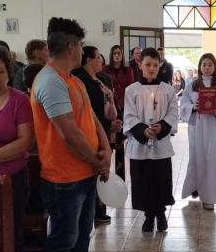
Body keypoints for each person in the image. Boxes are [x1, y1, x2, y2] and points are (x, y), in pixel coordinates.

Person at [31, 17, 113, 252]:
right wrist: (97, 161)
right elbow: (68, 133)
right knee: (62, 241)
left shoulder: (73, 80)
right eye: (80, 46)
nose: (81, 51)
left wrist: (105, 149)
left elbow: (90, 119)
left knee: (81, 235)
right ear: (71, 47)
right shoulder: (50, 81)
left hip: (85, 173)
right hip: (63, 178)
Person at [123, 47, 178, 233]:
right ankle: (148, 216)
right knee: (143, 181)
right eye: (147, 64)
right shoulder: (131, 90)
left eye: (155, 65)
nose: (151, 68)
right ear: (140, 65)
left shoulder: (168, 90)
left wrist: (162, 126)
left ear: (160, 65)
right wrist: (142, 130)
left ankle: (161, 214)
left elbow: (172, 113)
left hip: (161, 145)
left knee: (161, 180)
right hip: (140, 145)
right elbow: (129, 116)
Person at [73, 46, 122, 224]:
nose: (101, 61)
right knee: (94, 168)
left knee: (105, 168)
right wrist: (108, 124)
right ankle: (93, 208)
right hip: (94, 130)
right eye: (97, 57)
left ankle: (100, 208)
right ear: (88, 60)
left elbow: (112, 100)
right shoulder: (80, 80)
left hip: (109, 130)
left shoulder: (103, 78)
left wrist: (117, 122)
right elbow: (88, 111)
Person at [0, 46, 34, 252]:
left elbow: (25, 142)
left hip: (13, 179)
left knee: (11, 231)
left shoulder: (19, 100)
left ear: (8, 73)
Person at [181, 53, 216, 210]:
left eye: (210, 64)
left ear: (215, 66)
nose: (207, 67)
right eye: (204, 64)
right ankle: (194, 187)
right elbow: (184, 104)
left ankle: (209, 197)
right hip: (197, 127)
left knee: (212, 160)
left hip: (215, 128)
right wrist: (193, 107)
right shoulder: (193, 85)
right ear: (200, 66)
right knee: (196, 158)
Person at [104, 44, 134, 180]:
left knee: (120, 144)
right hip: (109, 110)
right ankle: (105, 176)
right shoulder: (105, 69)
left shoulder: (128, 70)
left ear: (122, 55)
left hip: (122, 108)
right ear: (112, 55)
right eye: (115, 53)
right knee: (108, 144)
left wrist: (122, 105)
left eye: (119, 53)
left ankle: (120, 178)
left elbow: (130, 88)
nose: (117, 55)